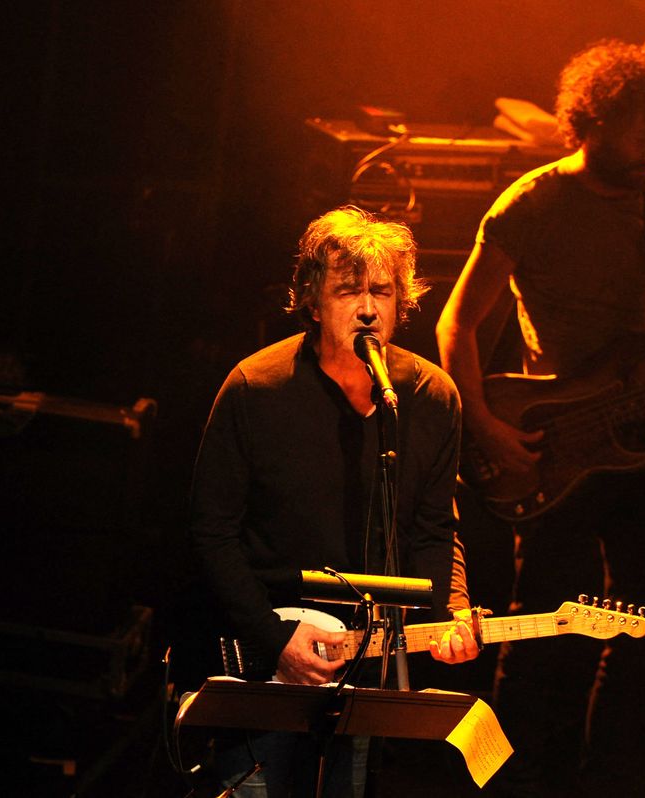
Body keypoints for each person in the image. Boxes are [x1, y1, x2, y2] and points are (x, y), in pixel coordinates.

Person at [435, 39, 645, 795]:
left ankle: (600, 777)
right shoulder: (532, 202)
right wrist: (485, 425)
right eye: (637, 122)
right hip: (554, 438)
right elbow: (457, 321)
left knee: (638, 624)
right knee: (536, 625)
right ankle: (497, 779)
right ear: (591, 119)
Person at [190, 206, 478, 797]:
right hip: (265, 653)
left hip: (369, 661)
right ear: (313, 301)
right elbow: (211, 531)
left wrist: (452, 610)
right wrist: (273, 638)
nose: (368, 308)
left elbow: (434, 529)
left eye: (382, 291)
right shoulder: (255, 386)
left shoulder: (430, 397)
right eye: (349, 291)